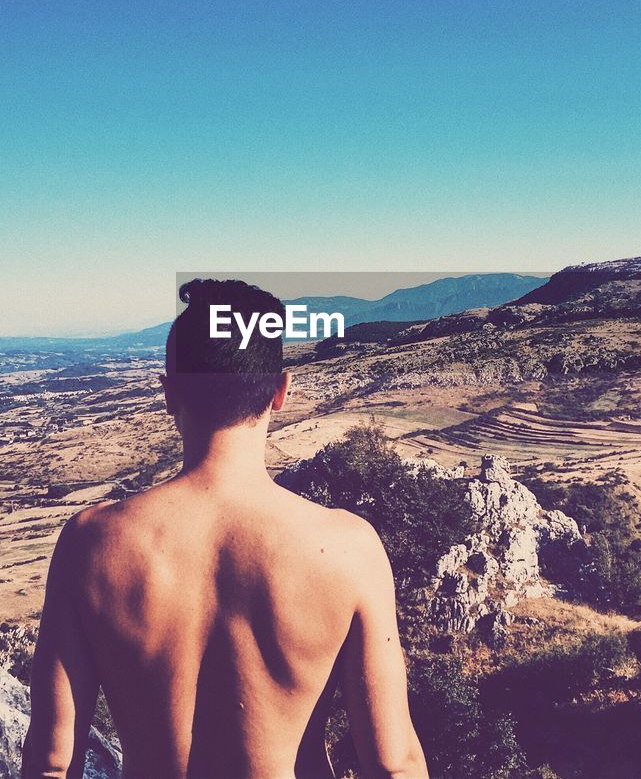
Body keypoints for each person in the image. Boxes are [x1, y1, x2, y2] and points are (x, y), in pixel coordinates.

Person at [21, 279, 428, 779]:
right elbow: (394, 763)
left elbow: (50, 762)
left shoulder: (91, 544)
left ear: (170, 393)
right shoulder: (347, 549)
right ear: (280, 392)